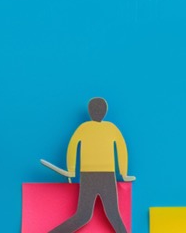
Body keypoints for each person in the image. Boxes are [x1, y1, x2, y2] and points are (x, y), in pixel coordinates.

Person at [46, 97, 136, 233]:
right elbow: (121, 149)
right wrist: (123, 172)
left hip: (96, 175)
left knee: (97, 215)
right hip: (96, 175)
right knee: (97, 214)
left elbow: (121, 148)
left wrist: (71, 170)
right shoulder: (105, 128)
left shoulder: (93, 128)